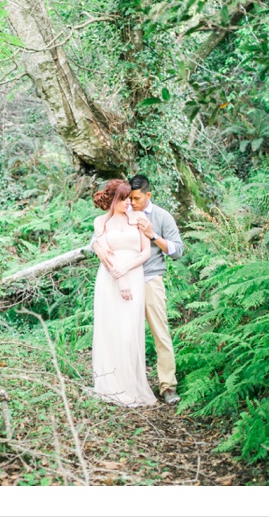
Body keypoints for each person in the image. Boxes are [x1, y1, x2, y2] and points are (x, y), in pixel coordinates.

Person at [93, 174, 184, 405]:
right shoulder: (122, 214)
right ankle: (119, 381)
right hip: (119, 281)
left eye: (135, 199)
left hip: (149, 279)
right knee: (123, 333)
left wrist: (153, 234)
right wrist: (97, 248)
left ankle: (167, 386)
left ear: (147, 195)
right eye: (127, 199)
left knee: (159, 332)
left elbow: (177, 251)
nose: (131, 204)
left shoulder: (160, 216)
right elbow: (99, 237)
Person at [90, 179, 156, 407]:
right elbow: (103, 253)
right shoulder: (101, 222)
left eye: (130, 198)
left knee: (129, 332)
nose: (128, 203)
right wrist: (118, 277)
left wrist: (126, 271)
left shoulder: (138, 219)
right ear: (113, 199)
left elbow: (145, 252)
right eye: (124, 199)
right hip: (109, 279)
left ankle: (131, 385)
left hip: (133, 274)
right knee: (110, 330)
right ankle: (111, 386)